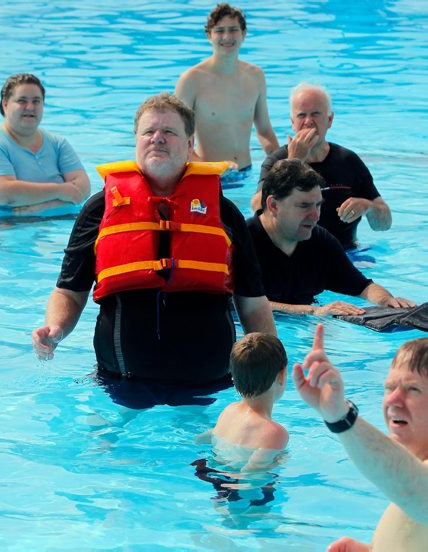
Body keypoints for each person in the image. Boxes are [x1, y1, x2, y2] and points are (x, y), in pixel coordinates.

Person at [32, 93, 276, 402]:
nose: (157, 139)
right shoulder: (99, 209)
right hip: (120, 384)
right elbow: (69, 290)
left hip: (210, 386)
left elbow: (252, 302)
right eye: (149, 132)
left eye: (169, 132)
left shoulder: (223, 213)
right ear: (136, 141)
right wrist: (56, 330)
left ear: (190, 145)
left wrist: (272, 363)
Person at [294, 325, 428, 551]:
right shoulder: (408, 475)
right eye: (389, 387)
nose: (393, 400)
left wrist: (340, 417)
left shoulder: (413, 484)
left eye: (413, 389)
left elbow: (415, 489)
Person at [247, 159, 415, 316]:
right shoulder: (242, 242)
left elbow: (362, 286)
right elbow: (239, 303)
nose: (315, 216)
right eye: (304, 206)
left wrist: (388, 302)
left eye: (318, 205)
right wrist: (313, 311)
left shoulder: (320, 241)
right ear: (273, 205)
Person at [251, 83, 391, 249]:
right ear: (293, 122)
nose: (308, 122)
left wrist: (367, 207)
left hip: (346, 254)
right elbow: (258, 207)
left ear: (330, 119)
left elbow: (384, 223)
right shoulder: (278, 161)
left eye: (315, 114)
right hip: (296, 255)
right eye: (302, 115)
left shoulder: (348, 161)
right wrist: (294, 161)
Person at [175, 3, 279, 185]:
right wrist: (213, 169)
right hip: (207, 176)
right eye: (220, 31)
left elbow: (264, 131)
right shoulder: (191, 80)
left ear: (243, 34)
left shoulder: (255, 76)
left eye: (233, 30)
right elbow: (177, 138)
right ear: (209, 35)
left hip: (247, 173)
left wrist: (282, 166)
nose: (227, 37)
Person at [0, 73, 90, 218]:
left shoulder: (57, 143)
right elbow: (5, 194)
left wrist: (43, 207)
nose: (30, 107)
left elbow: (83, 189)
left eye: (36, 101)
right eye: (22, 101)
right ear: (5, 105)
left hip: (51, 221)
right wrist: (61, 191)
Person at [209, 332, 289, 469]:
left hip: (211, 469)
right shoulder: (274, 433)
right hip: (236, 486)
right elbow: (251, 476)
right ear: (281, 375)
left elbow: (212, 437)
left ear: (234, 377)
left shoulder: (229, 410)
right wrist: (278, 461)